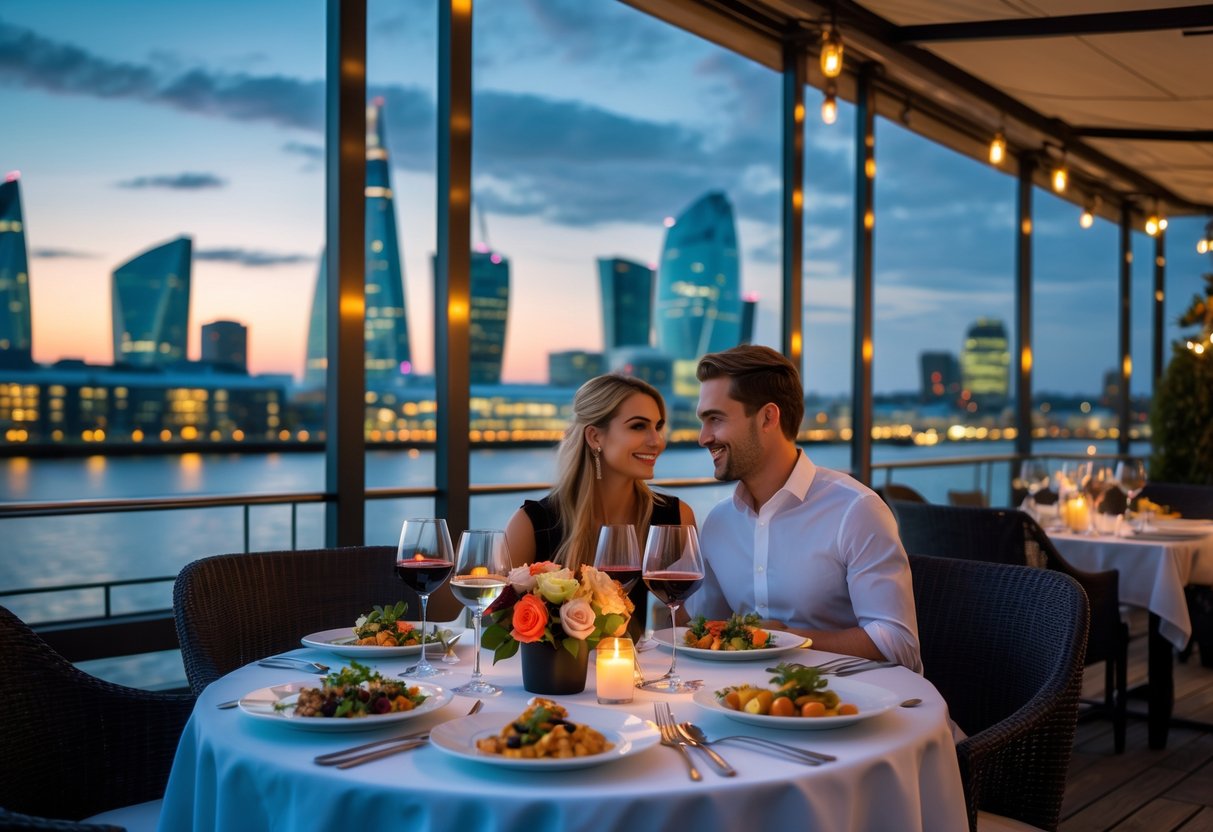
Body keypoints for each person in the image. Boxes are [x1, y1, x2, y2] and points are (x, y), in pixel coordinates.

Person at [686, 345, 921, 671]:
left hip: (854, 706)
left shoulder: (856, 511)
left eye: (715, 419)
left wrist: (787, 639)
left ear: (768, 417)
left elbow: (898, 644)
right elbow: (704, 629)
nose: (703, 437)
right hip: (746, 703)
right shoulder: (718, 523)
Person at [504, 374, 695, 631]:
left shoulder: (674, 518)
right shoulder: (532, 524)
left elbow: (684, 625)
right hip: (558, 671)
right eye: (638, 426)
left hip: (638, 668)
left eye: (658, 427)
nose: (657, 441)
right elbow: (496, 626)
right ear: (595, 437)